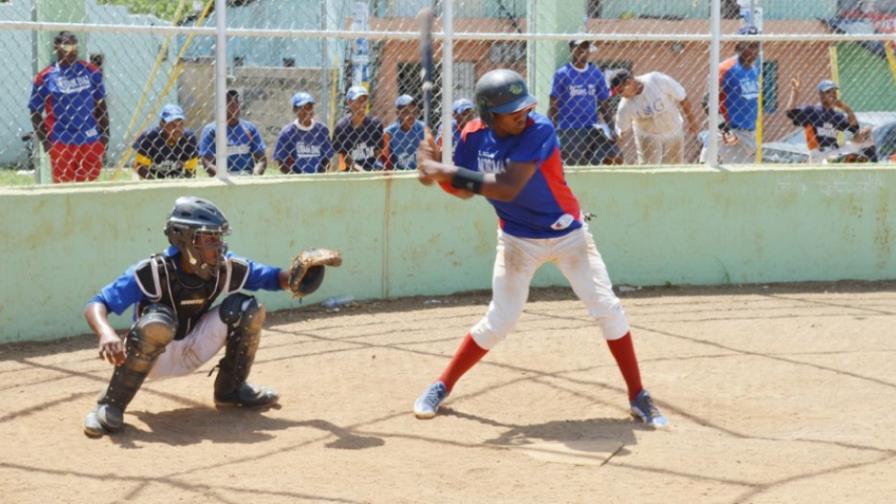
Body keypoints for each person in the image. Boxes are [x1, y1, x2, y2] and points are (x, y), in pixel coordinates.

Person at [412, 69, 668, 428]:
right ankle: (441, 385)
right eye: (511, 110)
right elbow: (465, 190)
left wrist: (442, 169)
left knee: (607, 309)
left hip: (568, 234)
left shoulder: (540, 130)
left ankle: (638, 395)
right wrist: (438, 175)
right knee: (499, 322)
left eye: (524, 106)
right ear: (488, 114)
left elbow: (507, 187)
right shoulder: (473, 136)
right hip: (517, 239)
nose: (522, 114)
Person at [81, 196, 341, 437]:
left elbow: (273, 278)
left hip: (195, 346)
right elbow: (97, 304)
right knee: (158, 320)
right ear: (183, 240)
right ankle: (111, 405)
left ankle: (231, 391)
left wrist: (299, 276)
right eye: (208, 239)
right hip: (153, 357)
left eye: (218, 238)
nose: (217, 246)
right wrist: (106, 332)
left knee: (248, 309)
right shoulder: (153, 271)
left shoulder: (223, 267)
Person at [28, 31, 109, 183]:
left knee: (90, 185)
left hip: (90, 139)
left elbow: (101, 104)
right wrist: (45, 141)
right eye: (66, 45)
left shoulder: (91, 71)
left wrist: (105, 135)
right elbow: (34, 111)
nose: (71, 50)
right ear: (56, 47)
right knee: (64, 188)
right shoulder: (45, 77)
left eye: (74, 45)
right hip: (61, 141)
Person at [548, 39, 622, 166]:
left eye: (586, 48)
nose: (583, 51)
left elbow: (604, 105)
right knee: (576, 165)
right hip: (569, 129)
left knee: (615, 156)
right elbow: (553, 106)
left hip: (591, 127)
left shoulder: (595, 73)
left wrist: (611, 128)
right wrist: (552, 130)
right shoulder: (562, 74)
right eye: (579, 47)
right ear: (572, 49)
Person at [610, 69, 699, 165]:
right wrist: (615, 150)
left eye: (621, 91)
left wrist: (692, 121)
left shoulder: (656, 80)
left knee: (674, 165)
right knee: (648, 169)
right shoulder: (625, 105)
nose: (621, 95)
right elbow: (621, 130)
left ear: (629, 82)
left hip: (672, 128)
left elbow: (682, 98)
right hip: (648, 134)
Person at [704, 26, 761, 164]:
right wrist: (725, 130)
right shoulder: (725, 69)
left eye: (756, 46)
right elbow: (707, 102)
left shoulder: (754, 70)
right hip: (730, 133)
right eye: (750, 46)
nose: (754, 51)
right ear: (738, 46)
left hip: (749, 132)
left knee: (745, 181)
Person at [784, 78, 874, 163]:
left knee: (867, 131)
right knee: (833, 158)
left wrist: (846, 109)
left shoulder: (837, 115)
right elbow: (790, 113)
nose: (832, 94)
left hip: (835, 151)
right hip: (818, 153)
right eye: (828, 92)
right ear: (821, 94)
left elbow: (854, 128)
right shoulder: (811, 110)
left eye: (834, 92)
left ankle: (868, 161)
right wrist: (794, 93)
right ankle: (841, 159)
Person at [199, 90, 267, 176]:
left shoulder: (249, 128)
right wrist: (226, 177)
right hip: (221, 178)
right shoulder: (211, 130)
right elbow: (207, 162)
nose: (233, 105)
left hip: (247, 174)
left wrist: (255, 175)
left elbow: (262, 159)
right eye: (228, 102)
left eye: (236, 102)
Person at [274, 92, 335, 174]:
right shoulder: (287, 132)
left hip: (317, 176)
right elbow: (281, 162)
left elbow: (326, 159)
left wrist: (319, 175)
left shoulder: (322, 130)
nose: (307, 111)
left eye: (310, 107)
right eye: (303, 108)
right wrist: (296, 177)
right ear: (295, 110)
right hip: (294, 179)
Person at [132, 104, 200, 179]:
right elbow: (140, 167)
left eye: (181, 124)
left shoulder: (189, 138)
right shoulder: (149, 136)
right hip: (149, 176)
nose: (177, 129)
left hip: (177, 176)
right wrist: (157, 185)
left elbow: (191, 171)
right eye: (172, 125)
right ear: (162, 124)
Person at [332, 86, 384, 171]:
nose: (362, 104)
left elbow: (377, 151)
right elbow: (344, 157)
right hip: (350, 173)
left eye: (364, 100)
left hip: (372, 169)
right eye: (359, 101)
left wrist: (377, 166)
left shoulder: (375, 124)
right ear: (349, 102)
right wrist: (360, 170)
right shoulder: (342, 127)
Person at [383, 94, 426, 170]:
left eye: (414, 111)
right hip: (399, 174)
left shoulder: (422, 128)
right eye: (406, 112)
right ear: (397, 113)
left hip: (419, 173)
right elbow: (386, 162)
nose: (411, 116)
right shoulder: (389, 133)